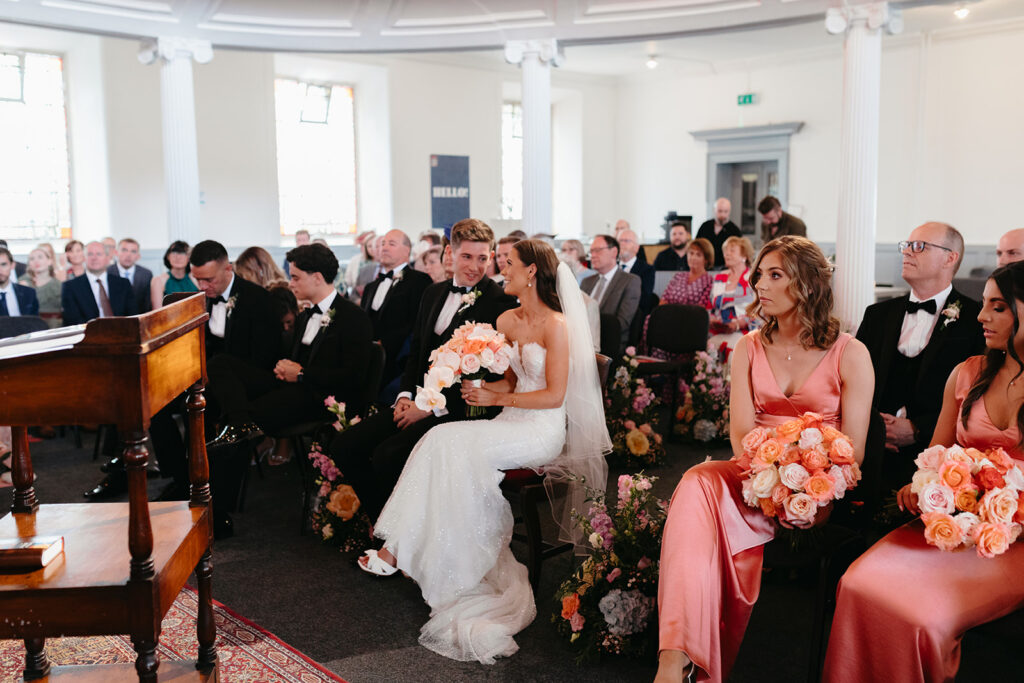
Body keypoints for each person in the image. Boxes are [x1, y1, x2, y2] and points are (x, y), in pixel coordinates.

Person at [359, 239, 611, 666]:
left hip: (539, 430)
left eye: (507, 263)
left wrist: (498, 401)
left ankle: (405, 551)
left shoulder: (557, 325)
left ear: (531, 271)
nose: (501, 269)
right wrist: (480, 389)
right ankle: (414, 551)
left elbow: (552, 397)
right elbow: (511, 385)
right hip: (509, 419)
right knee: (440, 439)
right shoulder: (506, 320)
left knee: (452, 445)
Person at [655, 236, 874, 683]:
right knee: (697, 481)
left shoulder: (851, 353)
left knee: (701, 515)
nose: (759, 284)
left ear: (808, 284)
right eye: (759, 274)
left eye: (774, 275)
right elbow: (739, 432)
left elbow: (854, 449)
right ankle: (673, 659)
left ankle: (691, 659)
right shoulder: (748, 347)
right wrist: (767, 480)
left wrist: (804, 491)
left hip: (816, 490)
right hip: (750, 474)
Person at [823, 261, 1024, 683]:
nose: (982, 316)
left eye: (999, 307)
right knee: (858, 583)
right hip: (947, 526)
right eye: (984, 304)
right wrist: (923, 488)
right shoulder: (968, 372)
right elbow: (934, 456)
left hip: (1010, 544)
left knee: (924, 619)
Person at [328, 219, 516, 523]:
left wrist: (428, 409)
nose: (475, 266)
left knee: (388, 456)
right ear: (451, 254)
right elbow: (417, 352)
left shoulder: (500, 304)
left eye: (483, 258)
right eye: (467, 257)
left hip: (459, 410)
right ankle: (385, 526)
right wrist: (405, 395)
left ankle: (400, 538)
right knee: (345, 446)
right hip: (415, 400)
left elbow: (487, 378)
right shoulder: (434, 293)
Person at [205, 243, 373, 449]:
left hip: (321, 396)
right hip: (293, 387)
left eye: (295, 277)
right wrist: (284, 367)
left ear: (317, 278)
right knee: (220, 363)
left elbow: (353, 377)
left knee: (248, 413)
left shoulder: (353, 317)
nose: (291, 283)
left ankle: (240, 427)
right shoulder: (304, 316)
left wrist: (302, 374)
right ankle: (241, 424)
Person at [856, 222, 984, 494]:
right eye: (906, 245)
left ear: (950, 258)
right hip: (871, 456)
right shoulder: (877, 315)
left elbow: (978, 396)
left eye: (920, 246)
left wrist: (917, 429)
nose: (907, 253)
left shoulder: (977, 320)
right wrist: (874, 427)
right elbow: (851, 382)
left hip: (938, 463)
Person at [360, 229, 432, 395]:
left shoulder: (419, 281)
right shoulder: (371, 287)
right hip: (369, 362)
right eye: (383, 244)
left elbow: (417, 325)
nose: (384, 248)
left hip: (400, 363)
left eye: (391, 244)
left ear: (407, 250)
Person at [642, 238, 714, 360]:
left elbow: (701, 310)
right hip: (670, 319)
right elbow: (663, 301)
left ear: (706, 259)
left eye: (698, 255)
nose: (693, 257)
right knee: (651, 319)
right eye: (691, 253)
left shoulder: (710, 281)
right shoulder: (678, 276)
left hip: (690, 322)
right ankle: (654, 365)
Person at [581, 234, 641, 355]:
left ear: (614, 252)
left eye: (597, 250)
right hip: (581, 341)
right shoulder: (587, 282)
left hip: (610, 345)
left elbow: (622, 323)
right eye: (591, 251)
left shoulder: (629, 281)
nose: (593, 255)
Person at [61, 241, 135, 326]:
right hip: (87, 336)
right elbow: (72, 320)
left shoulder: (123, 284)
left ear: (107, 258)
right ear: (84, 258)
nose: (94, 258)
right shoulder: (70, 287)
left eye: (99, 254)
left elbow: (132, 316)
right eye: (90, 254)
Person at [707, 236, 757, 360]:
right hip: (719, 329)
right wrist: (712, 320)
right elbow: (710, 306)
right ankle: (711, 380)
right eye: (725, 251)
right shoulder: (719, 277)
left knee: (731, 349)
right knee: (707, 350)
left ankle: (730, 380)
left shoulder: (752, 279)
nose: (727, 254)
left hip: (744, 331)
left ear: (744, 256)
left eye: (732, 250)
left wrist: (738, 324)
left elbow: (759, 310)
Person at [18, 247, 61, 327]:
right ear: (29, 264)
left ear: (49, 261)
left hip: (55, 327)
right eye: (32, 258)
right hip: (30, 326)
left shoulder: (58, 285)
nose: (36, 261)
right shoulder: (22, 283)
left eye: (40, 257)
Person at [108, 238, 153, 314]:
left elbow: (147, 304)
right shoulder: (108, 272)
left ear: (138, 256)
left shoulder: (146, 274)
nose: (128, 255)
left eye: (133, 251)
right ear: (116, 253)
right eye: (124, 250)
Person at [149, 240, 198, 310]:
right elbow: (157, 312)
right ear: (168, 256)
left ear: (189, 258)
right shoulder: (158, 280)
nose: (178, 257)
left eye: (183, 253)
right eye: (174, 252)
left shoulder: (196, 279)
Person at [696, 198, 742, 268]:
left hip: (726, 267)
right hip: (705, 266)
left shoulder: (735, 231)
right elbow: (697, 245)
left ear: (729, 212)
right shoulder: (705, 226)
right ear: (714, 210)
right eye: (720, 211)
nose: (722, 215)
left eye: (725, 211)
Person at [618, 229, 656, 313]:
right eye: (620, 240)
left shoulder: (647, 270)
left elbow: (644, 299)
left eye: (626, 241)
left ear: (636, 248)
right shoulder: (611, 266)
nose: (622, 244)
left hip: (633, 312)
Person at [0, 247, 39, 318]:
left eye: (3, 264)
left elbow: (35, 323)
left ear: (12, 265)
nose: (0, 270)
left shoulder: (29, 293)